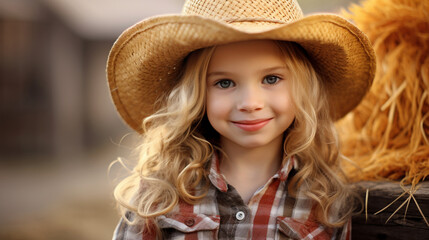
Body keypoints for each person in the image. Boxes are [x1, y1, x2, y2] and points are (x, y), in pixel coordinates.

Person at [106, 0, 375, 239]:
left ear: (303, 88)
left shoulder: (324, 200)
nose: (250, 103)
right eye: (224, 82)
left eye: (271, 79)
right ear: (196, 94)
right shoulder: (160, 194)